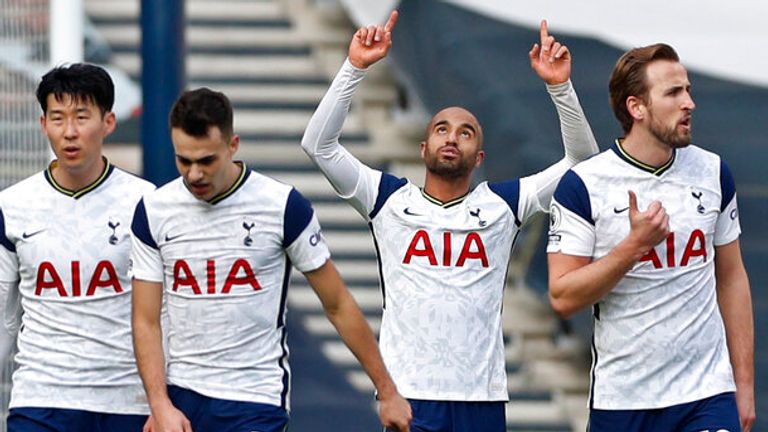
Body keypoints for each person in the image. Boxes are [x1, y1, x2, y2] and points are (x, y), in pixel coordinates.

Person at [301, 11, 598, 431]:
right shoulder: (388, 199)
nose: (451, 137)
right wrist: (355, 66)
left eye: (465, 132)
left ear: (479, 157)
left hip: (481, 396)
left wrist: (560, 87)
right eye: (441, 129)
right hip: (411, 393)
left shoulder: (502, 204)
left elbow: (582, 163)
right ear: (424, 148)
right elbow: (318, 145)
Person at [130, 87, 412, 432]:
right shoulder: (154, 211)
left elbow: (337, 303)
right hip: (183, 400)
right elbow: (146, 320)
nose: (194, 174)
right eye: (183, 161)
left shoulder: (281, 206)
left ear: (232, 146)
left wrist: (387, 390)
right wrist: (159, 405)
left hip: (255, 400)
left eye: (206, 161)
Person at [547, 43, 755, 431]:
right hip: (623, 400)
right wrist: (633, 247)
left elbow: (732, 277)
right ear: (636, 108)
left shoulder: (712, 172)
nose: (689, 103)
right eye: (674, 93)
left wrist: (743, 385)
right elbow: (562, 297)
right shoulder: (584, 185)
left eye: (688, 90)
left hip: (706, 395)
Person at [0, 63, 154, 431]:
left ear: (109, 122)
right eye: (58, 118)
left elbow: (163, 316)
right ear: (43, 125)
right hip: (41, 400)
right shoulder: (12, 205)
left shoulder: (146, 203)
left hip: (125, 401)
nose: (70, 132)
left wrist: (162, 401)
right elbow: (4, 318)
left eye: (82, 117)